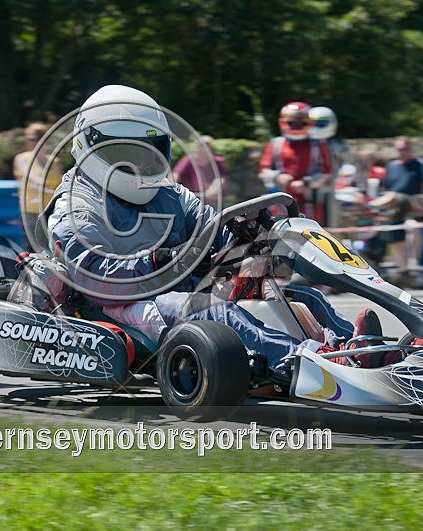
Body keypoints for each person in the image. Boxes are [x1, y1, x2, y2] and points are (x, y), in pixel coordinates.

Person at [45, 84, 381, 382]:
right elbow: (94, 276)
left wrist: (248, 234)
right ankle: (315, 362)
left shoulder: (169, 194)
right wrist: (159, 260)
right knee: (219, 313)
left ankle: (358, 349)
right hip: (123, 304)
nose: (140, 165)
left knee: (299, 296)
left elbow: (211, 228)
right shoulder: (77, 205)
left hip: (184, 287)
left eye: (149, 152)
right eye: (127, 154)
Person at [258, 102, 332, 225]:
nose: (296, 124)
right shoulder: (276, 144)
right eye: (292, 121)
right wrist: (278, 177)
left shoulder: (318, 145)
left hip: (311, 202)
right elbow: (263, 171)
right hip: (280, 201)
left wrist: (306, 182)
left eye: (300, 121)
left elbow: (326, 172)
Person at [378, 137, 423, 269]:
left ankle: (414, 264)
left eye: (405, 149)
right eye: (399, 149)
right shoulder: (391, 166)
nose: (402, 152)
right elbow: (387, 187)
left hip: (413, 203)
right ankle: (403, 267)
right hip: (395, 204)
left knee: (412, 228)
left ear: (410, 149)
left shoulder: (419, 164)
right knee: (397, 236)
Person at [13, 122, 64, 248]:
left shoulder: (54, 161)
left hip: (52, 211)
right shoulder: (22, 158)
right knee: (34, 250)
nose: (33, 142)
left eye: (37, 138)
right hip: (30, 212)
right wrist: (46, 187)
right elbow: (29, 177)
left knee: (53, 249)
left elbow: (61, 184)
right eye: (30, 139)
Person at [172, 134, 227, 204]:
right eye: (201, 145)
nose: (204, 148)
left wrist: (211, 192)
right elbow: (175, 175)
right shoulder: (189, 160)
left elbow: (221, 179)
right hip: (195, 199)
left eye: (207, 145)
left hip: (214, 200)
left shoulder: (218, 161)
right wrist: (170, 188)